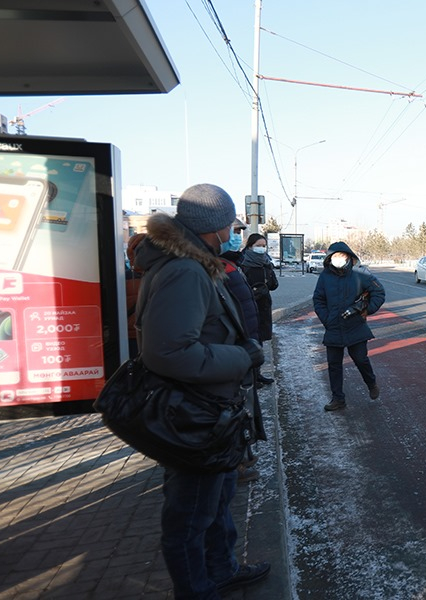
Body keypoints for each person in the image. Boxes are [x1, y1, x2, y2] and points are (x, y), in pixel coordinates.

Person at [132, 183, 270, 598]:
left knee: (217, 496)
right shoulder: (184, 270)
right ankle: (198, 589)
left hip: (210, 411)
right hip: (194, 414)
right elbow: (169, 352)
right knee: (190, 515)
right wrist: (242, 357)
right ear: (214, 226)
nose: (233, 231)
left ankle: (221, 569)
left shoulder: (192, 262)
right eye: (230, 224)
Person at [313, 241, 386, 411]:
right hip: (333, 327)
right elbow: (318, 300)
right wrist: (327, 318)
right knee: (334, 365)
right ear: (330, 258)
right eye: (335, 256)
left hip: (355, 326)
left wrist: (367, 310)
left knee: (360, 359)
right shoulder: (325, 276)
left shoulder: (360, 274)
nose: (339, 259)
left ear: (349, 257)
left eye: (342, 255)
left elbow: (379, 292)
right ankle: (338, 399)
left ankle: (371, 383)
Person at [218, 219, 264, 485]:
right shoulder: (214, 266)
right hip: (234, 354)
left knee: (243, 408)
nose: (236, 236)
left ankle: (241, 457)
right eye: (234, 231)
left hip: (244, 349)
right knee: (236, 408)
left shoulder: (232, 262)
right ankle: (235, 463)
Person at [240, 233, 278, 386]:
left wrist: (269, 276)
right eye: (258, 246)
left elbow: (274, 285)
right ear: (250, 246)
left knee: (260, 340)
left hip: (263, 306)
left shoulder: (266, 262)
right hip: (249, 308)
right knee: (250, 341)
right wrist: (254, 291)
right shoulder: (243, 263)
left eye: (264, 246)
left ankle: (258, 374)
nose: (262, 249)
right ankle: (250, 376)